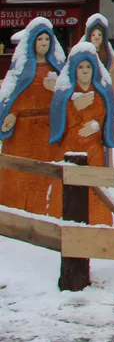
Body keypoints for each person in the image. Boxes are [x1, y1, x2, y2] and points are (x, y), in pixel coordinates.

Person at [0, 18, 65, 214]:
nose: (44, 43)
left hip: (47, 129)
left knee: (45, 173)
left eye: (47, 39)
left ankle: (46, 210)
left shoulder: (58, 69)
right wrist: (11, 114)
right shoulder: (21, 69)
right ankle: (13, 209)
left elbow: (68, 99)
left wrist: (57, 91)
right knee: (19, 172)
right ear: (32, 42)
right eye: (40, 39)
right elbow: (12, 95)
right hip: (22, 130)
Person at [49, 43, 114, 225]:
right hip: (69, 147)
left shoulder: (100, 94)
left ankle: (98, 222)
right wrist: (72, 107)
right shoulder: (65, 94)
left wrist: (97, 125)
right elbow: (58, 119)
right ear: (74, 70)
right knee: (65, 188)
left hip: (93, 149)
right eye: (81, 67)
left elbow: (105, 116)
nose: (85, 71)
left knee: (95, 189)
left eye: (88, 67)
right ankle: (60, 221)